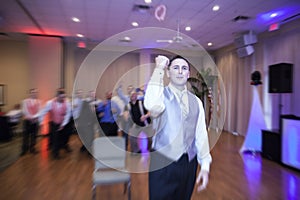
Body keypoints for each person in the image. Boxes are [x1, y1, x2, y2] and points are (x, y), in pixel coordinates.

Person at [144, 55, 212, 200]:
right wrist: (159, 69)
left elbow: (201, 134)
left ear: (188, 74)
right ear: (168, 73)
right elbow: (150, 104)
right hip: (163, 164)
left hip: (188, 165)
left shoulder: (197, 102)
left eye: (184, 68)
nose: (180, 71)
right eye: (175, 68)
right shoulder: (160, 96)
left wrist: (205, 166)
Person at [39, 88, 72, 159]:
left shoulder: (67, 103)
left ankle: (61, 148)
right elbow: (43, 112)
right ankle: (55, 154)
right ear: (57, 96)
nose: (63, 98)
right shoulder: (50, 103)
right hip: (54, 123)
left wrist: (63, 124)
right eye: (61, 97)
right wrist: (41, 122)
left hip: (63, 123)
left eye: (64, 97)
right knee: (55, 139)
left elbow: (68, 114)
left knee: (62, 138)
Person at [118, 88, 152, 154]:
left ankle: (150, 150)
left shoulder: (142, 103)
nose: (133, 95)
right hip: (135, 125)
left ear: (136, 95)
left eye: (134, 94)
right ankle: (136, 151)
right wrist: (125, 116)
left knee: (150, 138)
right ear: (129, 96)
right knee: (132, 138)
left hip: (145, 124)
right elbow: (125, 115)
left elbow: (150, 112)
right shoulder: (127, 105)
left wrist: (145, 116)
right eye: (131, 95)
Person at [20, 88, 41, 155]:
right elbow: (24, 111)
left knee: (34, 136)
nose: (34, 93)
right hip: (27, 121)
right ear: (30, 93)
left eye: (35, 92)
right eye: (32, 92)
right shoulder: (25, 101)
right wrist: (31, 117)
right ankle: (24, 150)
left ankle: (32, 149)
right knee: (25, 136)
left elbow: (40, 111)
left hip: (35, 121)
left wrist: (34, 117)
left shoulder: (39, 101)